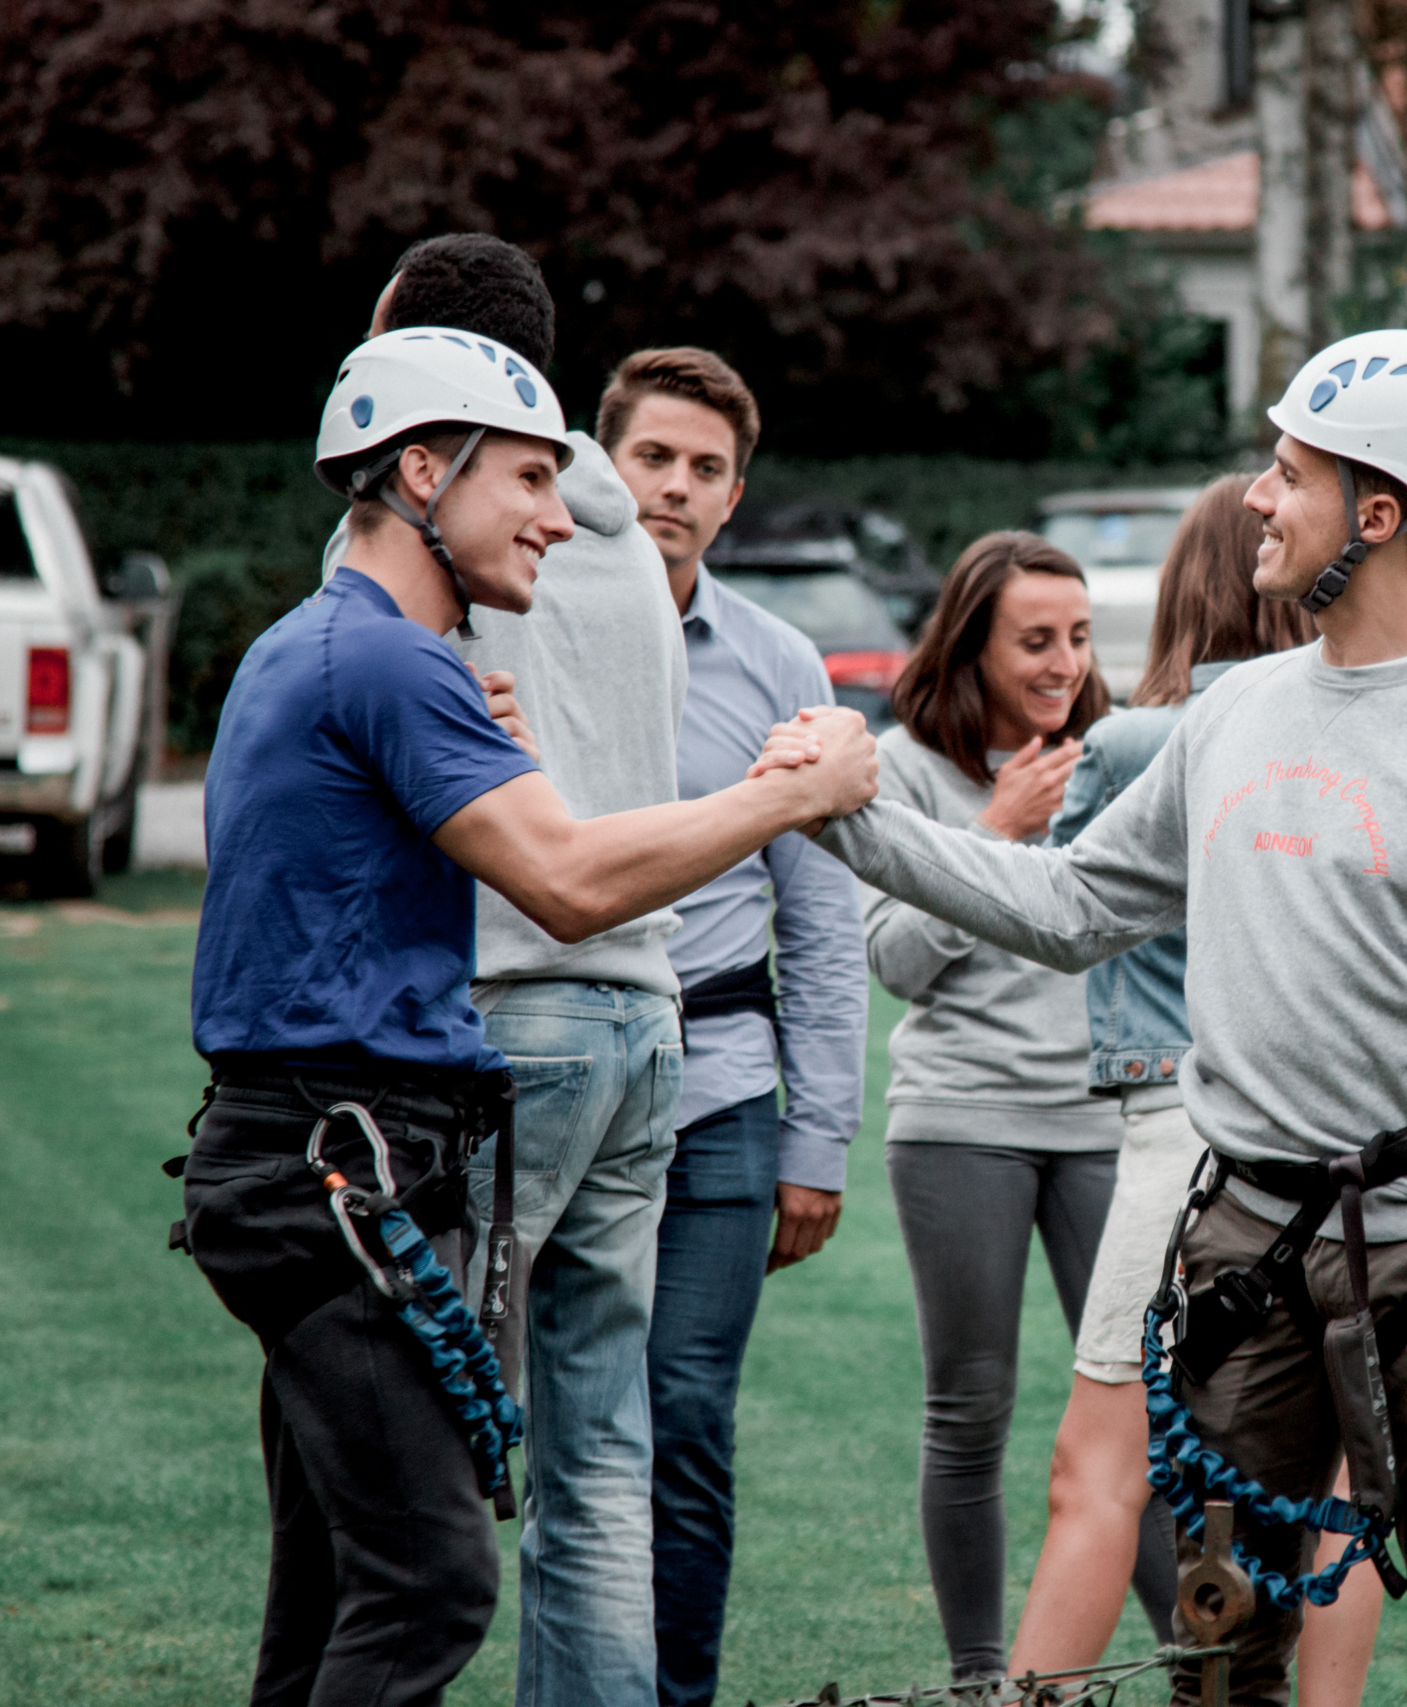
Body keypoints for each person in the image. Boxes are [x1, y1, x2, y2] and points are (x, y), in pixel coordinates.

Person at [765, 326, 1407, 1706]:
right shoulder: (1232, 716)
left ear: (1381, 511)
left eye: (1287, 472)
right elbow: (1068, 907)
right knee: (1219, 1649)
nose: (1255, 500)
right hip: (1246, 1254)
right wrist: (849, 820)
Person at [180, 328, 877, 1707]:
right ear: (424, 472)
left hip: (308, 1155)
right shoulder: (388, 665)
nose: (563, 516)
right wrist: (788, 793)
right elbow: (569, 879)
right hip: (342, 1166)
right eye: (527, 479)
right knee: (431, 1579)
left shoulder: (327, 646)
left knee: (330, 1576)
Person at [320, 234, 698, 1707]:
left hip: (504, 1007)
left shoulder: (441, 534)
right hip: (643, 1014)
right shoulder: (636, 554)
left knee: (403, 1438)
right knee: (601, 1457)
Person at [595, 348, 872, 1707]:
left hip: (720, 1092)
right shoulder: (527, 627)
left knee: (685, 1417)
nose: (677, 486)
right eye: (655, 456)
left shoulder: (778, 659)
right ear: (605, 464)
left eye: (706, 468)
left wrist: (815, 1134)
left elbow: (819, 921)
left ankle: (677, 1697)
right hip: (553, 1085)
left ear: (735, 496)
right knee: (572, 1421)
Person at [1001, 473, 1312, 1681]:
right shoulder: (1329, 723)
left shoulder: (1139, 740)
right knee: (1308, 1489)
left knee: (1098, 1473)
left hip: (1175, 1125)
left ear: (1190, 588)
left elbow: (1064, 909)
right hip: (1322, 1135)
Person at [862, 531, 1133, 1685]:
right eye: (1035, 640)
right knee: (969, 1414)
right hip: (960, 1120)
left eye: (1076, 638)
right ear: (971, 645)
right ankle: (981, 1677)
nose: (1063, 661)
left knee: (1136, 1418)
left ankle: (1196, 1657)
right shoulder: (906, 767)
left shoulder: (1113, 756)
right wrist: (994, 837)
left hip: (1100, 1125)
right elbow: (896, 961)